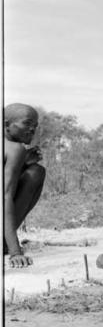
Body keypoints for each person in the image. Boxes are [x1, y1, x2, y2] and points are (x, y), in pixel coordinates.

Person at [4, 103, 45, 268]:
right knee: (36, 172)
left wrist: (23, 163)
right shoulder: (15, 149)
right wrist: (15, 252)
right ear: (6, 124)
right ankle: (6, 244)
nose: (32, 130)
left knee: (33, 169)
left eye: (35, 126)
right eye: (26, 123)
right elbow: (4, 197)